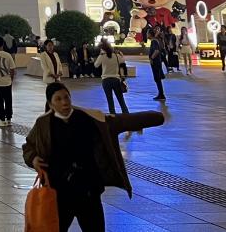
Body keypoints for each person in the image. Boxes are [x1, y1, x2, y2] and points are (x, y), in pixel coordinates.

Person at [21, 83, 164, 232]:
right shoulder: (44, 123)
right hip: (60, 191)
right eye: (58, 99)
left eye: (66, 97)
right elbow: (29, 147)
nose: (64, 102)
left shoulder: (89, 118)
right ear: (50, 104)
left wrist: (157, 117)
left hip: (88, 189)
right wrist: (33, 159)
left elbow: (124, 120)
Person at [95, 40, 129, 115]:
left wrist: (100, 55)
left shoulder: (102, 56)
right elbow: (123, 63)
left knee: (110, 101)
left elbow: (96, 65)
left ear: (103, 49)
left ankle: (113, 116)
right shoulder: (116, 56)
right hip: (116, 79)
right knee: (121, 100)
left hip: (106, 80)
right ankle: (127, 116)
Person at [147, 29, 167, 102]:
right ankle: (161, 93)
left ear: (150, 34)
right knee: (157, 78)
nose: (147, 35)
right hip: (157, 62)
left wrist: (152, 58)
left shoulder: (154, 41)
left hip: (156, 62)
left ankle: (161, 94)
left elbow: (156, 51)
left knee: (157, 78)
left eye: (147, 33)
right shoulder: (155, 41)